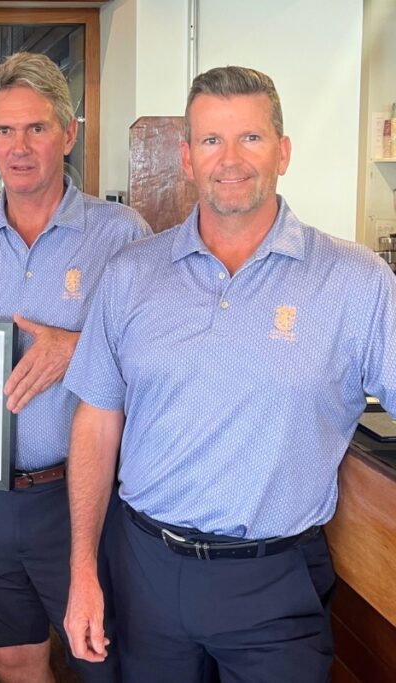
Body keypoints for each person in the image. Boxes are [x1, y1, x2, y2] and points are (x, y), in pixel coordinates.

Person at [63, 66, 396, 683]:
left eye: (251, 138)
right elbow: (97, 420)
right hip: (143, 570)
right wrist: (83, 567)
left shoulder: (357, 281)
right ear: (186, 158)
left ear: (284, 151)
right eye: (212, 141)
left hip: (274, 583)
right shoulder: (133, 275)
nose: (231, 159)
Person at [0, 52, 151, 683]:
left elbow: (162, 357)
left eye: (36, 128)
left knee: (101, 653)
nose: (19, 147)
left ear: (69, 133)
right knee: (10, 654)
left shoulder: (122, 233)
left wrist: (75, 347)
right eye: (4, 131)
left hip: (82, 493)